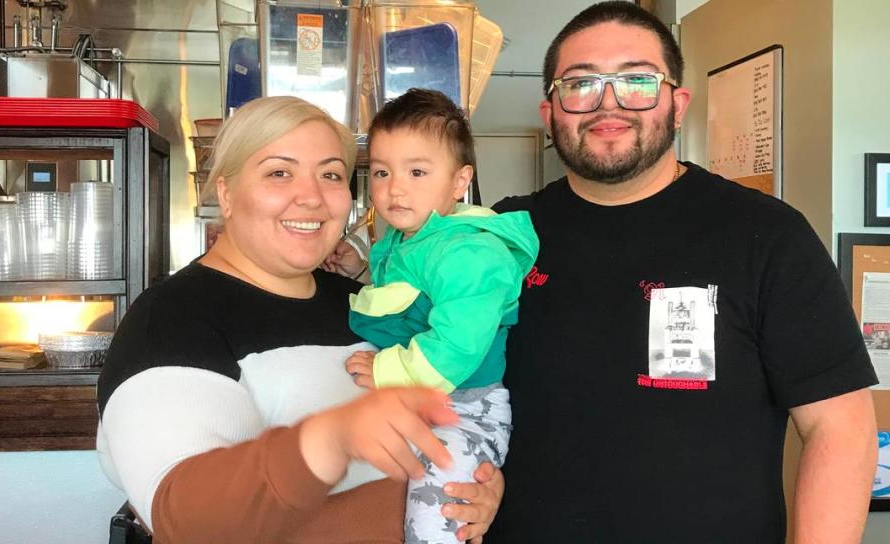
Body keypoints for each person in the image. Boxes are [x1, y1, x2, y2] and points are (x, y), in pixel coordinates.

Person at [485, 2, 879, 542]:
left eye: (638, 81)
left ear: (677, 105)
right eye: (579, 84)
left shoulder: (766, 235)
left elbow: (840, 428)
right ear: (550, 112)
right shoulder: (498, 236)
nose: (608, 103)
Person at [95, 95, 503, 544]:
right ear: (226, 193)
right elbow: (187, 519)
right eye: (278, 172)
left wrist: (467, 487)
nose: (311, 197)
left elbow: (435, 418)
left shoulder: (364, 302)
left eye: (330, 174)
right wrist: (328, 439)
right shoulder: (171, 320)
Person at [335, 88, 538, 543]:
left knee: (438, 513)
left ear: (459, 180)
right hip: (415, 403)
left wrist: (389, 370)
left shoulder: (471, 252)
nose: (395, 187)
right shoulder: (407, 237)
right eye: (383, 172)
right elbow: (407, 293)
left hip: (463, 409)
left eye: (417, 171)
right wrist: (362, 268)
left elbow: (458, 342)